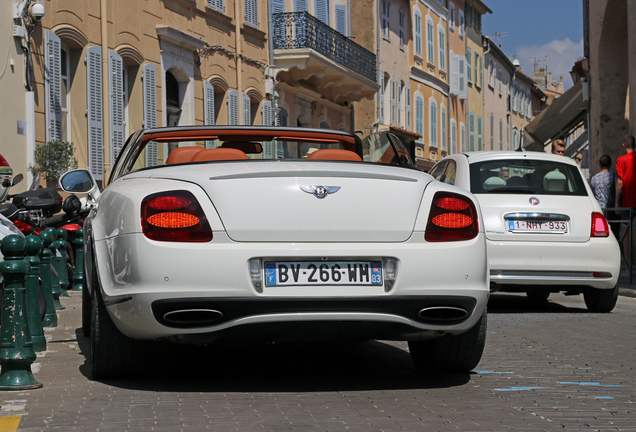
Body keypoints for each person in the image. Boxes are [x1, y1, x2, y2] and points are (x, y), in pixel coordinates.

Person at [590, 154, 619, 238]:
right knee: (614, 234)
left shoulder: (594, 178)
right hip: (612, 210)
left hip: (600, 211)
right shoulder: (613, 177)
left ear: (599, 164)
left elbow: (592, 193)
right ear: (610, 164)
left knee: (602, 235)